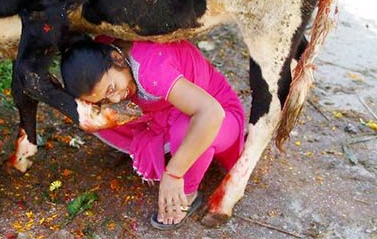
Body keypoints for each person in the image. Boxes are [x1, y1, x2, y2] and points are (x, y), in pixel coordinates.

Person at [61, 38, 245, 230]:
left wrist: (174, 174)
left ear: (116, 57)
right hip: (171, 111)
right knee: (98, 119)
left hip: (219, 115)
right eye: (105, 98)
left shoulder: (151, 71)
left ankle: (188, 192)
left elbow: (212, 113)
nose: (115, 98)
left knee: (184, 132)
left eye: (111, 89)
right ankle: (179, 152)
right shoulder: (104, 49)